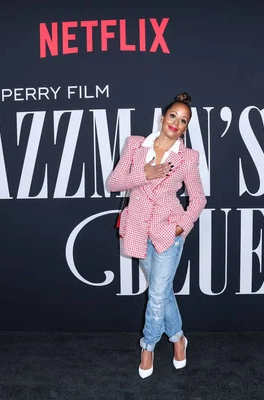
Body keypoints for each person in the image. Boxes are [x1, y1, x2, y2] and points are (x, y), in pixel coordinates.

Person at [107, 92, 207, 379]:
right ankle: (178, 338)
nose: (176, 123)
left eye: (183, 120)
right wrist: (145, 174)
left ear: (186, 128)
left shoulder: (187, 158)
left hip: (167, 231)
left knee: (156, 295)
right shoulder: (136, 145)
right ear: (162, 118)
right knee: (161, 292)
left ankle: (148, 346)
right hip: (138, 230)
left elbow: (198, 199)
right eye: (173, 116)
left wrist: (181, 226)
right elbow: (114, 183)